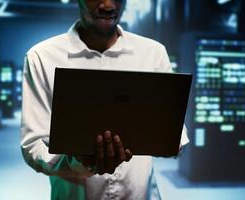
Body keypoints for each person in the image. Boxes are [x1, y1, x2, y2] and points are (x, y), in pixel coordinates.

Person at [21, 0, 189, 199]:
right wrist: (76, 162)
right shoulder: (42, 57)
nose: (108, 5)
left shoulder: (153, 53)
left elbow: (174, 133)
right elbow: (33, 146)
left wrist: (170, 139)